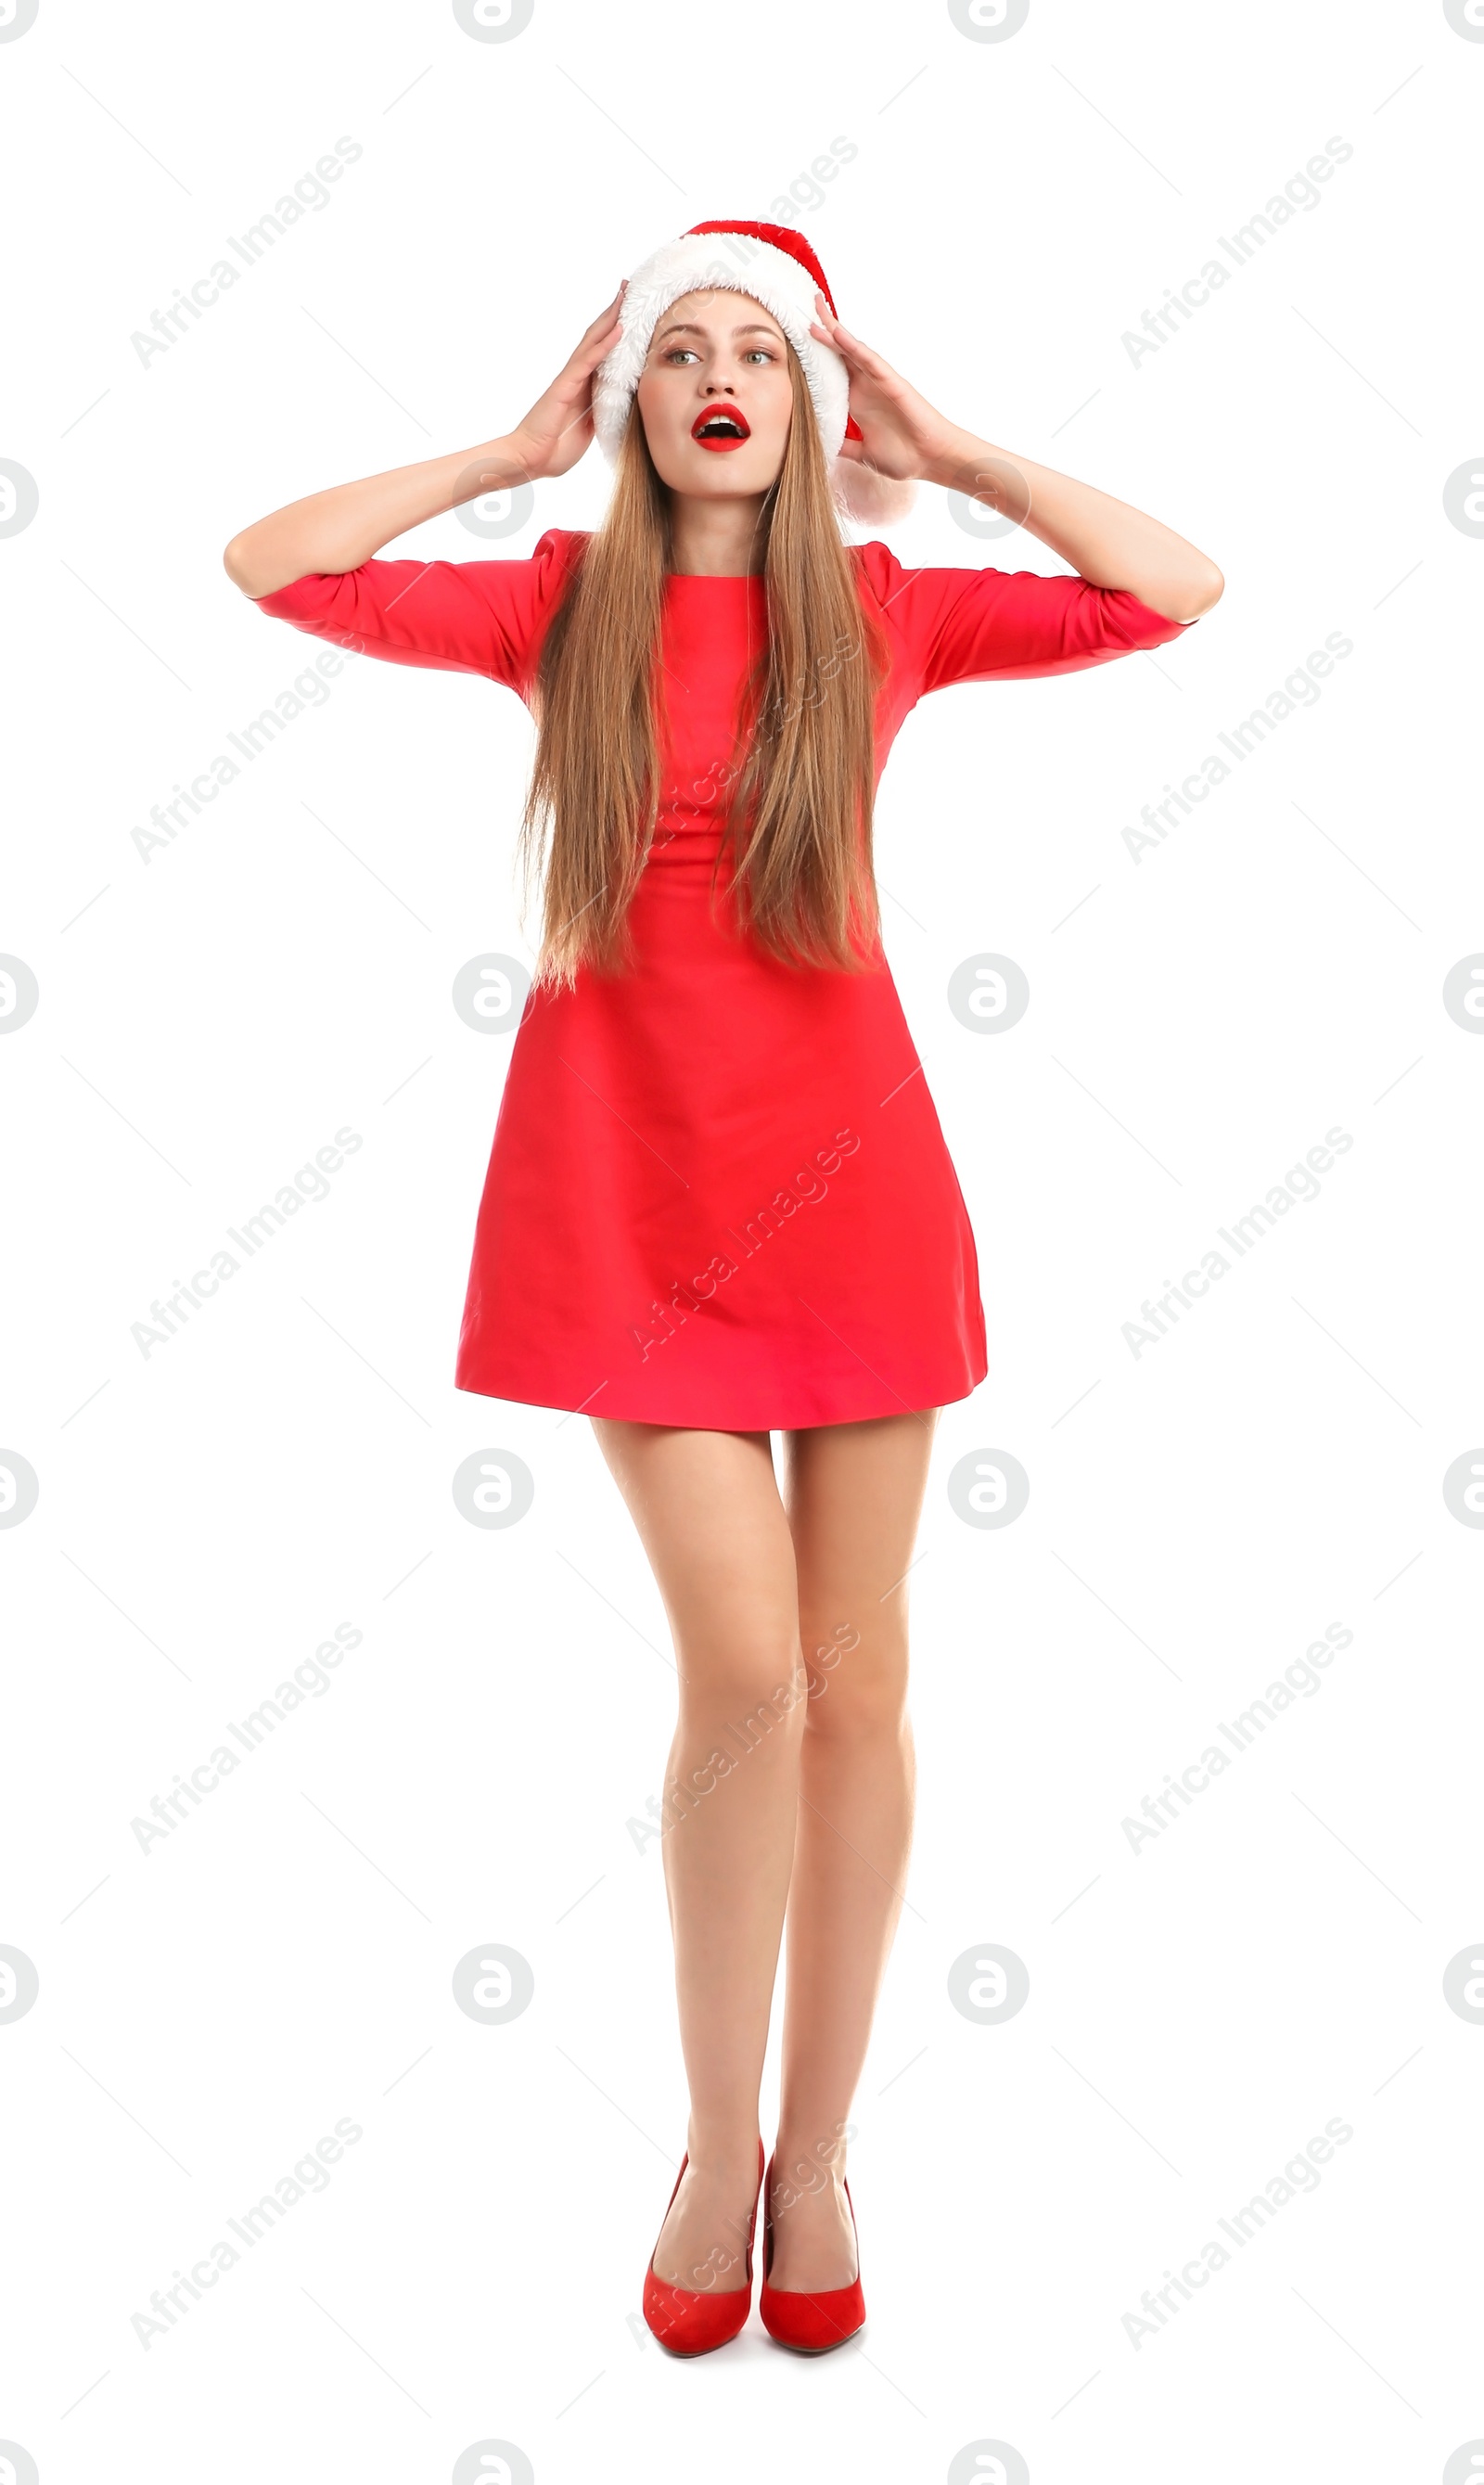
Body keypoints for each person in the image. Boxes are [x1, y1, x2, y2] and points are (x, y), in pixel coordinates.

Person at [224, 219, 1222, 2359]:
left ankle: (825, 2148)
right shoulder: (559, 600)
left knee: (859, 1685)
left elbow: (1173, 590)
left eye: (754, 351)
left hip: (853, 1192)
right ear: (631, 399)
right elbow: (273, 565)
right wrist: (505, 446)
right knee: (749, 1670)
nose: (714, 375)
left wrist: (949, 452)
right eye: (676, 345)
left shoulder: (879, 608)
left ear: (803, 405)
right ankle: (703, 2142)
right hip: (627, 1208)